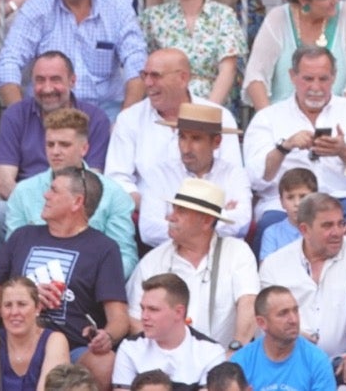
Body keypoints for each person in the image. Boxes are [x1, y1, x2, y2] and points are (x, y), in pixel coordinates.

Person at [0, 166, 131, 389]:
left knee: (104, 362)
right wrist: (26, 297)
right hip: (15, 340)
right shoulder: (23, 236)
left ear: (77, 202)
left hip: (71, 346)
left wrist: (106, 336)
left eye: (54, 190)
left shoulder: (104, 248)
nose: (45, 195)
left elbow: (119, 317)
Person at [0, 0, 148, 121]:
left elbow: (137, 63)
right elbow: (8, 63)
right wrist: (21, 119)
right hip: (49, 107)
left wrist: (125, 121)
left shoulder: (117, 5)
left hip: (106, 109)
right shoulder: (37, 7)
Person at [104, 49, 246, 220]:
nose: (148, 83)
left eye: (156, 76)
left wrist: (193, 216)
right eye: (144, 75)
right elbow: (117, 180)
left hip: (210, 221)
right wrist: (155, 209)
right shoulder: (129, 119)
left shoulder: (218, 117)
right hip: (147, 220)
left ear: (183, 78)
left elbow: (231, 177)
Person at [257, 193, 346, 385]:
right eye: (327, 226)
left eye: (341, 223)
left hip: (345, 362)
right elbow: (269, 320)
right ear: (304, 229)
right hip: (293, 361)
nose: (338, 232)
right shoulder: (274, 265)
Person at [244, 46, 346, 227]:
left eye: (323, 79)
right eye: (308, 79)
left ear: (334, 76)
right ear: (292, 76)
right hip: (284, 207)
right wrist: (284, 147)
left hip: (343, 200)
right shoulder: (267, 118)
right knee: (269, 227)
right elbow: (255, 178)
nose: (316, 87)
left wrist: (343, 151)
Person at [5, 108, 139, 275]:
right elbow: (13, 251)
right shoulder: (23, 191)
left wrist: (95, 283)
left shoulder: (113, 194)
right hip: (33, 287)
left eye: (64, 145)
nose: (55, 151)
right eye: (50, 144)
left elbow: (125, 256)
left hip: (89, 285)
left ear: (84, 149)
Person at [127, 178, 259, 346]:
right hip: (165, 362)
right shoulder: (153, 260)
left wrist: (235, 350)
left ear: (206, 221)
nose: (171, 217)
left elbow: (249, 304)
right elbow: (134, 317)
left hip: (223, 359)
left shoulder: (237, 252)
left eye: (181, 211)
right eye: (173, 209)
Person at [0, 51, 114, 200]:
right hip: (24, 203)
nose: (47, 88)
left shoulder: (95, 119)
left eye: (55, 80)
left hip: (77, 208)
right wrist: (33, 209)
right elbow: (4, 182)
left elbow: (93, 181)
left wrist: (60, 210)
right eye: (40, 80)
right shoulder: (15, 116)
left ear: (72, 81)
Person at [133, 104, 254, 248]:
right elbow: (149, 230)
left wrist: (177, 224)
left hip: (224, 259)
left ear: (216, 142)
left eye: (196, 138)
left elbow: (242, 223)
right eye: (182, 137)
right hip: (171, 258)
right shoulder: (159, 174)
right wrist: (219, 216)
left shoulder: (235, 174)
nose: (186, 148)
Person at [139, 0, 245, 105]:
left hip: (210, 104)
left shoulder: (223, 15)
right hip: (163, 105)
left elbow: (228, 70)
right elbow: (142, 66)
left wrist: (206, 113)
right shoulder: (154, 17)